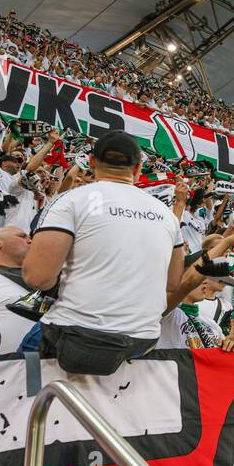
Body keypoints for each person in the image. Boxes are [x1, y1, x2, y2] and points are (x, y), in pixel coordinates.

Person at [24, 131, 187, 374]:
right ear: (138, 168)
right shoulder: (166, 214)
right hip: (141, 339)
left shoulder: (71, 200)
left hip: (73, 333)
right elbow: (173, 283)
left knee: (20, 365)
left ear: (91, 162)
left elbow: (37, 278)